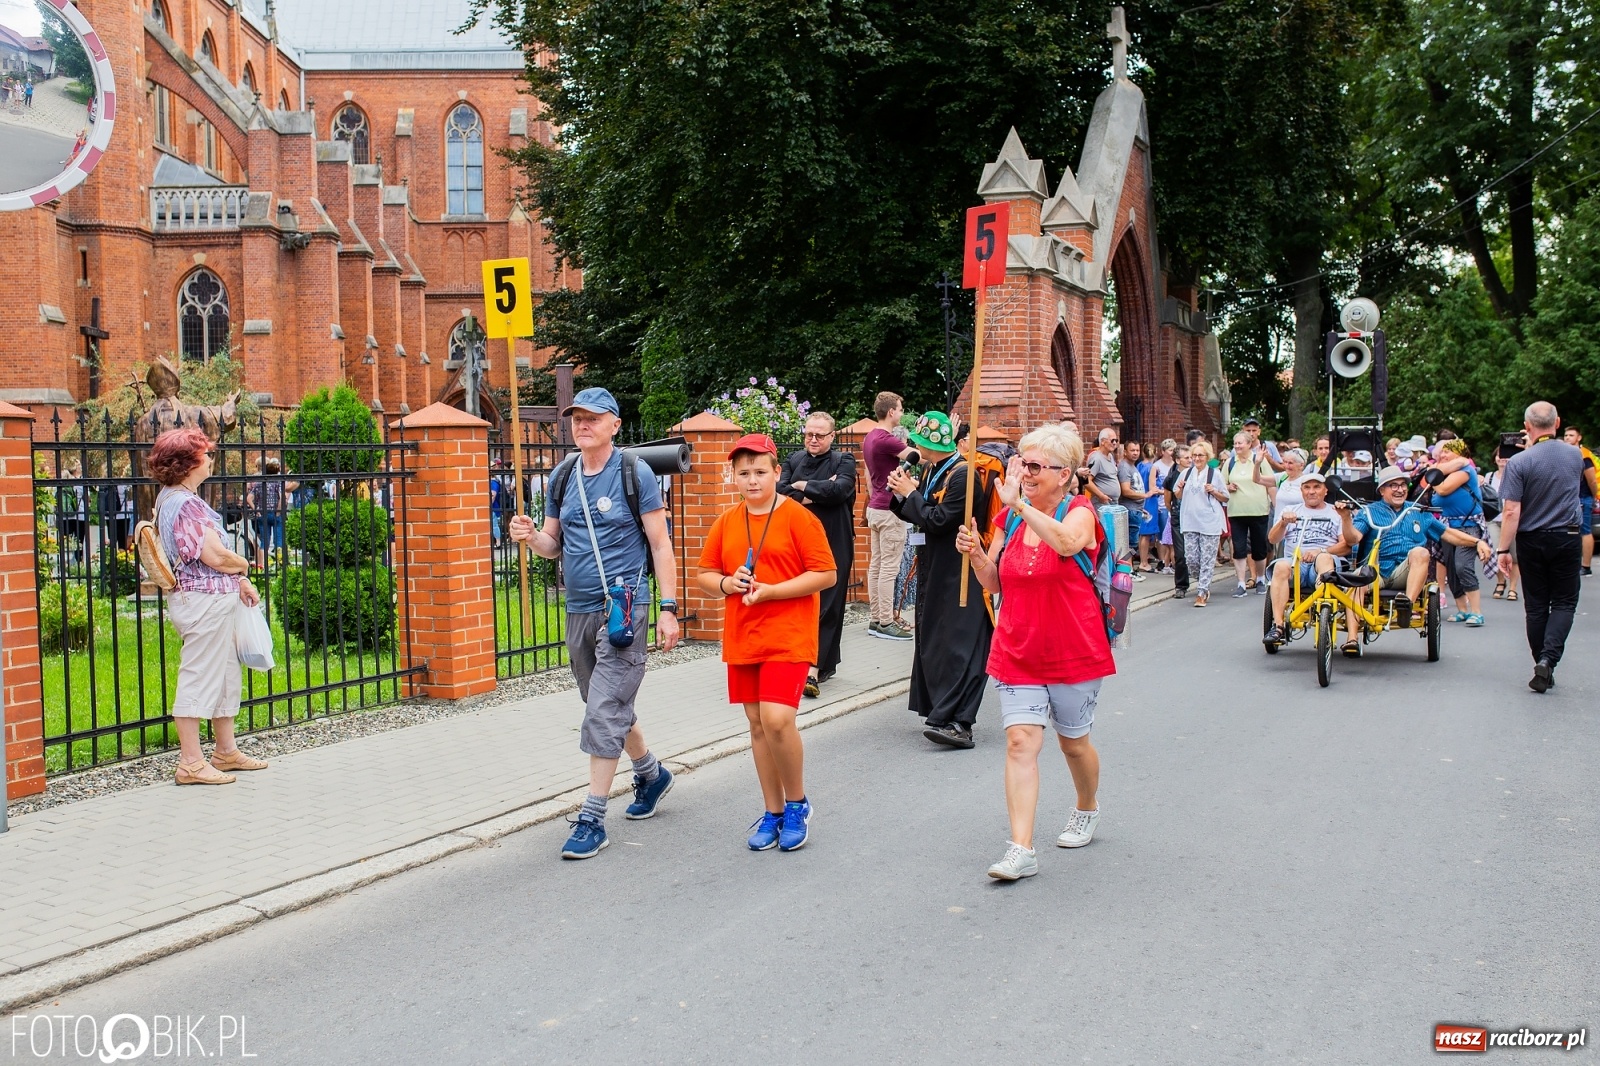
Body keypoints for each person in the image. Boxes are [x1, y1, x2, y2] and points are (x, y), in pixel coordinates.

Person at [507, 387, 681, 859]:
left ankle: (592, 818)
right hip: (579, 608)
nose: (582, 424)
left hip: (625, 606)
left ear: (614, 425)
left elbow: (660, 544)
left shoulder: (633, 472)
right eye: (576, 418)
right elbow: (552, 546)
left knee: (603, 709)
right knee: (604, 703)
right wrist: (529, 538)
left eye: (592, 417)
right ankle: (650, 773)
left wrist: (669, 608)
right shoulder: (562, 475)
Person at [955, 423, 1115, 881]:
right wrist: (977, 556)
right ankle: (1020, 848)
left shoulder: (1081, 511)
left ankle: (1086, 807)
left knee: (1074, 743)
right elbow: (996, 582)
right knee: (1021, 741)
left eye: (1034, 465)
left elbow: (1067, 543)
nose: (1023, 472)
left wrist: (1020, 506)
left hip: (1072, 649)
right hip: (1017, 646)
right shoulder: (1006, 520)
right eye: (1022, 463)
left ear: (1064, 474)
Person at [698, 434, 836, 851]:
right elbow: (705, 575)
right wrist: (727, 582)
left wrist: (774, 591)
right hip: (744, 636)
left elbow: (826, 574)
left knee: (777, 720)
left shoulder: (799, 518)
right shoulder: (726, 521)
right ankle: (772, 812)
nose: (752, 480)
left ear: (778, 472)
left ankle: (797, 804)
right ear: (732, 476)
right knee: (757, 726)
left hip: (789, 634)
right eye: (744, 473)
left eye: (760, 471)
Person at [148, 427, 268, 785]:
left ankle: (225, 751)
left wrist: (239, 582)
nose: (211, 459)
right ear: (187, 463)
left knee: (225, 674)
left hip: (208, 597)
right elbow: (212, 555)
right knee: (200, 676)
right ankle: (190, 763)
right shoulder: (185, 503)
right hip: (203, 600)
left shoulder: (171, 498)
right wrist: (244, 566)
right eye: (205, 454)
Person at [886, 412, 994, 749]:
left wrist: (912, 495)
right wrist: (904, 493)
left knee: (959, 644)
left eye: (917, 444)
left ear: (928, 445)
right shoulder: (933, 469)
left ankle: (960, 721)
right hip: (936, 567)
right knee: (935, 638)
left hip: (959, 570)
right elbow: (919, 512)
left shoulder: (963, 476)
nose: (912, 449)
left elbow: (939, 520)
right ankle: (939, 710)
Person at [1339, 465, 1493, 657]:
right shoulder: (1369, 511)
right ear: (1382, 490)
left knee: (1420, 552)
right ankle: (1352, 639)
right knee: (1358, 579)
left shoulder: (1418, 511)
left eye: (1403, 484)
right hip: (1375, 569)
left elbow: (1447, 534)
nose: (1400, 489)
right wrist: (1346, 519)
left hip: (1407, 571)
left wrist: (1477, 541)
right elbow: (1353, 539)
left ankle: (1407, 605)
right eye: (1393, 485)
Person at [1497, 402, 1585, 693]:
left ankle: (1541, 662)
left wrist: (1502, 549)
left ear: (1527, 426)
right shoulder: (1575, 454)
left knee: (1535, 606)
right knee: (1564, 602)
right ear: (1558, 423)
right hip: (1567, 534)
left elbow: (1511, 510)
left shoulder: (1520, 463)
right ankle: (1548, 660)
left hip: (1532, 538)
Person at [778, 411, 857, 697]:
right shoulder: (794, 460)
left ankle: (813, 669)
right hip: (798, 541)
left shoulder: (844, 461)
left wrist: (801, 487)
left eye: (819, 435)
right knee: (799, 601)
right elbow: (781, 490)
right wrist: (812, 491)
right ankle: (800, 659)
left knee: (828, 604)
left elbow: (841, 490)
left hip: (834, 538)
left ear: (832, 436)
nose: (812, 439)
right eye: (809, 434)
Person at [1263, 472, 1351, 646]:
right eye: (1307, 487)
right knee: (1281, 565)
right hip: (1295, 564)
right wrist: (1283, 523)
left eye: (1317, 487)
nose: (1312, 492)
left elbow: (1346, 545)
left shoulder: (1335, 512)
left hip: (1324, 563)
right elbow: (1272, 539)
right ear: (1301, 491)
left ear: (1325, 490)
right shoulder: (1291, 511)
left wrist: (1320, 550)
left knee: (1324, 558)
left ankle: (1323, 608)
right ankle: (1279, 626)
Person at [862, 391, 918, 640]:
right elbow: (915, 455)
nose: (902, 413)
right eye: (900, 409)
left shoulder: (870, 437)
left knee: (876, 566)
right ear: (891, 412)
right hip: (890, 510)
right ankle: (886, 622)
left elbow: (868, 477)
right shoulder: (886, 439)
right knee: (888, 569)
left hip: (875, 507)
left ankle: (875, 619)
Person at [1430, 438, 1488, 626]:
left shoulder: (1465, 470)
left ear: (1459, 453)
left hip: (1468, 524)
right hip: (1448, 526)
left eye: (1448, 451)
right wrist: (1435, 474)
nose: (1443, 455)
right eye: (1442, 452)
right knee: (1452, 569)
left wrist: (1434, 480)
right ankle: (1462, 609)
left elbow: (1444, 489)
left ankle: (1476, 611)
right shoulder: (1447, 471)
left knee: (1463, 565)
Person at [1174, 439, 1229, 606]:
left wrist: (1214, 491)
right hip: (1190, 520)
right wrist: (1181, 488)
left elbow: (1226, 497)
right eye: (1194, 455)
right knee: (1190, 559)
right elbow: (1178, 495)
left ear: (1207, 457)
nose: (1197, 458)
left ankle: (1202, 592)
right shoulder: (1186, 474)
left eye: (1200, 455)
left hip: (1209, 521)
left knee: (1207, 558)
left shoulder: (1214, 474)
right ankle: (1204, 581)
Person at [1221, 432, 1274, 597]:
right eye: (1235, 443)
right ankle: (1241, 583)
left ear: (1249, 444)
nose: (1237, 446)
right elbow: (1222, 484)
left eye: (1240, 443)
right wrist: (1228, 487)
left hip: (1259, 510)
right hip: (1236, 511)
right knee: (1239, 548)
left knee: (1259, 547)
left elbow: (1271, 482)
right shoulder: (1230, 463)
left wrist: (1275, 504)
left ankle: (1259, 579)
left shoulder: (1259, 460)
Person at [246, 456, 293, 570]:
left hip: (263, 513)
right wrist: (278, 510)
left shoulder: (259, 483)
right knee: (278, 540)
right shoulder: (278, 482)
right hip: (275, 513)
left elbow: (249, 498)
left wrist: (256, 509)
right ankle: (279, 566)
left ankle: (262, 566)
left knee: (264, 542)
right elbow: (282, 497)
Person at [1485, 449, 1520, 601]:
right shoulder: (1489, 477)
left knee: (1514, 555)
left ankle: (1513, 588)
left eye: (1506, 455)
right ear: (1495, 459)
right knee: (1496, 552)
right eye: (1499, 455)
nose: (1502, 459)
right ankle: (1500, 581)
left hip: (1512, 520)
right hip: (1494, 519)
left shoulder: (1517, 475)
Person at [1563, 426, 1597, 576]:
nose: (1567, 438)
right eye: (1565, 435)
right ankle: (1573, 564)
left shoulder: (1584, 456)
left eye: (1571, 435)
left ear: (1579, 438)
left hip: (1583, 497)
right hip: (1569, 499)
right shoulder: (1563, 455)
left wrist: (1594, 497)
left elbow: (1592, 481)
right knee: (1572, 532)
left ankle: (1586, 566)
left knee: (1585, 531)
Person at [1162, 443, 1193, 594]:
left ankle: (1201, 579)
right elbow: (1168, 500)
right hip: (1178, 516)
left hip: (1194, 517)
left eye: (1191, 457)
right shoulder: (1171, 478)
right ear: (1178, 460)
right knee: (1180, 553)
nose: (1190, 460)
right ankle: (1181, 585)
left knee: (1194, 552)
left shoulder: (1196, 474)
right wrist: (1174, 512)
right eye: (1186, 458)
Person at [1085, 428, 1122, 506]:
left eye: (1116, 440)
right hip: (1102, 504)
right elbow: (1086, 481)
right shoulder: (1096, 458)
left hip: (1113, 502)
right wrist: (1101, 495)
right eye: (1112, 440)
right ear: (1102, 441)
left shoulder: (1110, 456)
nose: (1115, 443)